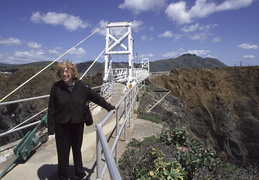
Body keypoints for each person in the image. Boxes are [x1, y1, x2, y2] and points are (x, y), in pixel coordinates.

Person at [47, 60, 115, 180]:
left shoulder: (82, 87)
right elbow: (51, 108)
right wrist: (51, 129)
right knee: (63, 152)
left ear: (72, 72)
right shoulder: (56, 87)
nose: (64, 74)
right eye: (62, 71)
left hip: (77, 124)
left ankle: (79, 174)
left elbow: (96, 98)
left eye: (67, 71)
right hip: (61, 125)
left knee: (77, 150)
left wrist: (109, 107)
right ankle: (62, 176)